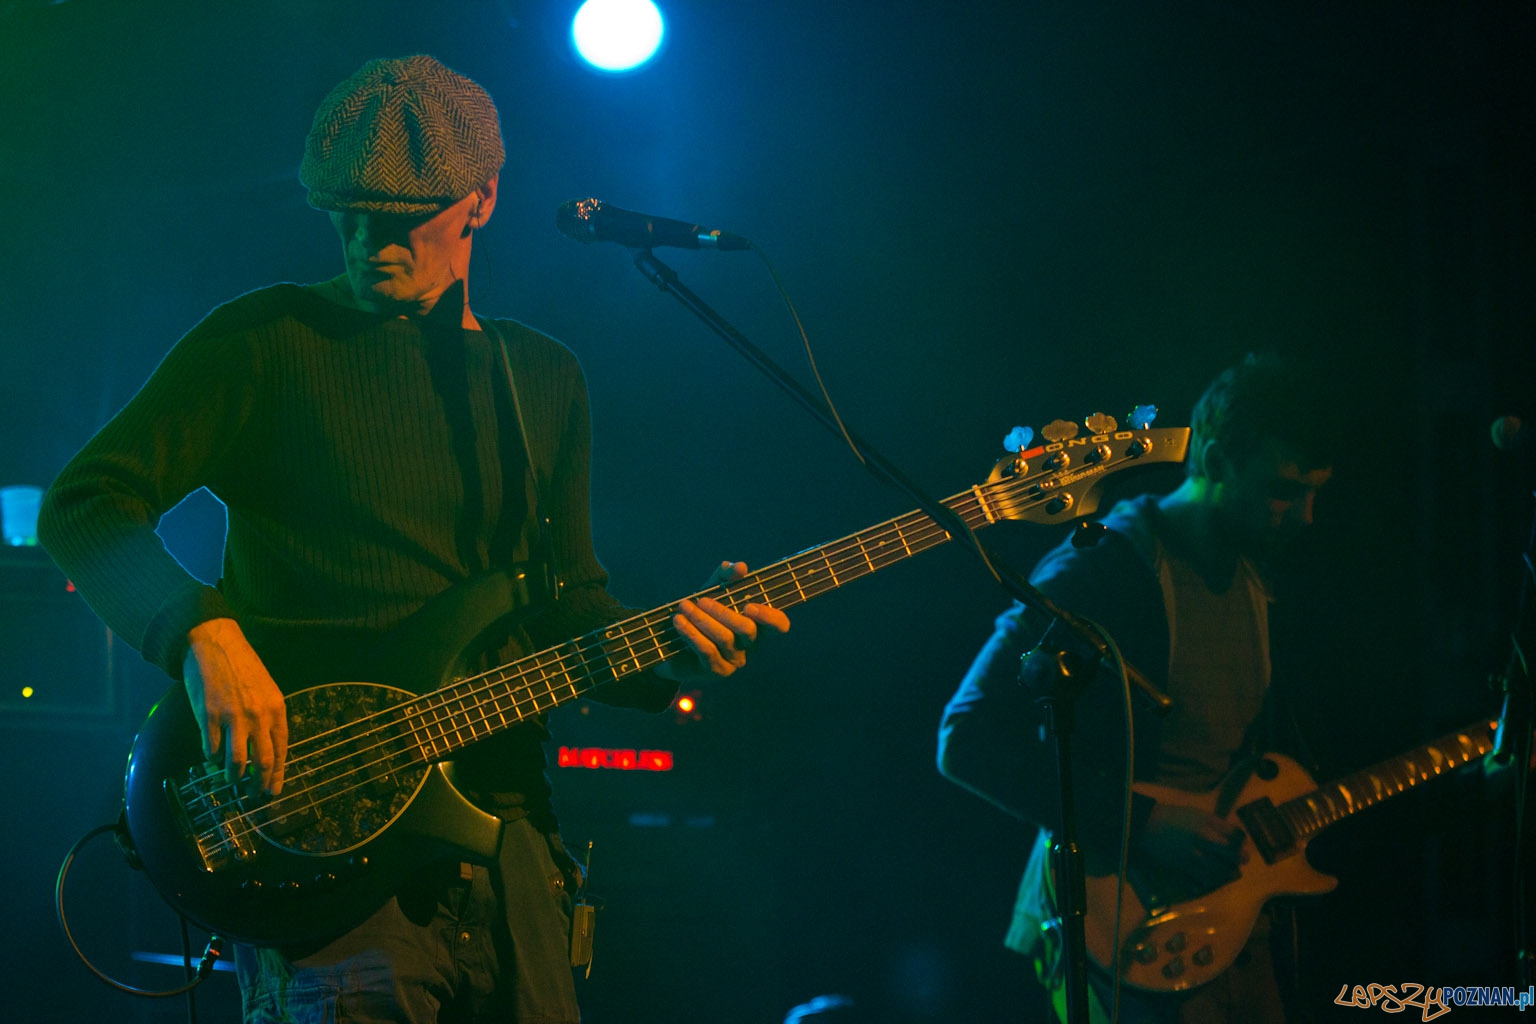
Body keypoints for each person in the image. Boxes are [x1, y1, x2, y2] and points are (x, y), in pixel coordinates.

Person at [38, 54, 788, 1024]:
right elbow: (84, 504)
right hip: (323, 839)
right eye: (346, 213)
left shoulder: (540, 378)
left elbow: (568, 607)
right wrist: (200, 631)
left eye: (400, 218)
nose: (368, 240)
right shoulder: (262, 343)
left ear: (481, 200)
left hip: (509, 845)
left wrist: (667, 652)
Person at [937, 355, 1334, 1023]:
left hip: (1230, 925)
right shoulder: (1102, 571)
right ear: (1215, 459)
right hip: (1117, 927)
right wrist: (1142, 824)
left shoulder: (1259, 581)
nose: (1305, 516)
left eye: (1315, 493)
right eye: (1282, 491)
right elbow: (966, 736)